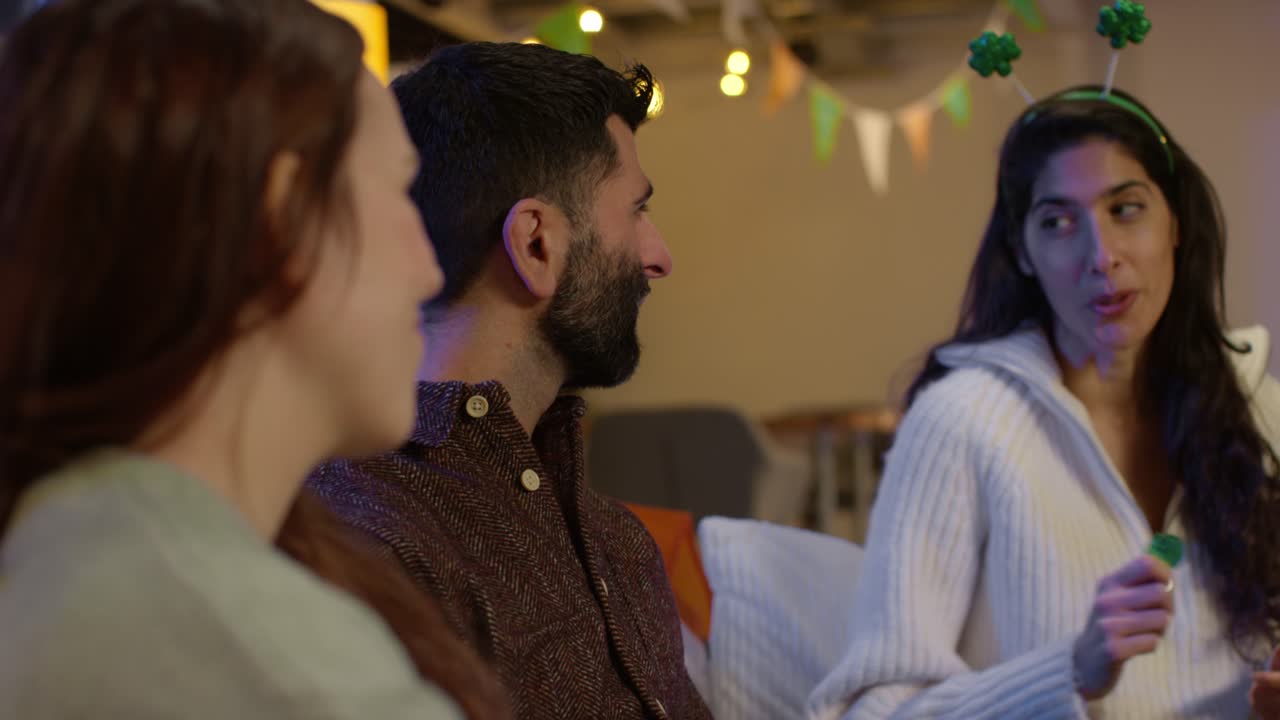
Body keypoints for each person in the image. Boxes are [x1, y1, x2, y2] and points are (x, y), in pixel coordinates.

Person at [0, 1, 462, 717]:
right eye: (400, 192)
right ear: (285, 215)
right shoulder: (275, 666)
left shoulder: (66, 547)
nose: (429, 272)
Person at [807, 86, 1280, 719]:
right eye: (1058, 223)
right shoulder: (960, 422)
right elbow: (875, 711)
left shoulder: (1259, 411)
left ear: (1177, 224)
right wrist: (1071, 671)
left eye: (1127, 209)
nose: (1101, 257)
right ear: (1023, 253)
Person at [307, 42, 711, 719]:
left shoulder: (617, 544)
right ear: (535, 244)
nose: (659, 257)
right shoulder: (369, 542)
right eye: (636, 211)